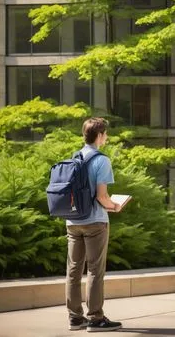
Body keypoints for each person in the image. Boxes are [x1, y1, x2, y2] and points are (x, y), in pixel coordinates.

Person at [66, 117, 122, 332]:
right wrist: (115, 206)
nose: (106, 137)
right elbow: (101, 196)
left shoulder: (75, 156)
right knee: (95, 271)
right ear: (99, 136)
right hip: (95, 222)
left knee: (73, 270)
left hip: (72, 221)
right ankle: (96, 318)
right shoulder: (102, 160)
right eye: (105, 134)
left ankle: (75, 318)